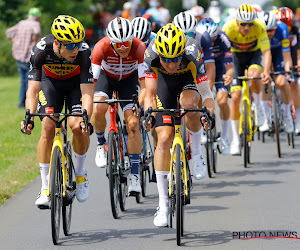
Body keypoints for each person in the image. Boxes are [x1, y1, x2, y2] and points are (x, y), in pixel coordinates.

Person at [143, 23, 215, 227]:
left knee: (189, 104)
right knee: (164, 138)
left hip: (187, 82)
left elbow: (207, 95)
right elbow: (149, 94)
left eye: (175, 59)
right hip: (163, 85)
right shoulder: (151, 54)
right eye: (166, 59)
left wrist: (209, 114)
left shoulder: (192, 52)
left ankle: (198, 153)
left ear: (182, 52)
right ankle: (163, 205)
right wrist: (149, 113)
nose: (171, 64)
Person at [20, 15, 94, 208]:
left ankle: (79, 174)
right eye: (70, 46)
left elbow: (87, 93)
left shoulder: (84, 53)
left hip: (75, 86)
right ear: (57, 43)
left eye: (77, 44)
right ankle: (45, 188)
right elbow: (33, 90)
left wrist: (86, 117)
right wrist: (29, 116)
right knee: (47, 127)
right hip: (50, 84)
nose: (75, 50)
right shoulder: (41, 50)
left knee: (77, 126)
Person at [91, 17, 146, 194]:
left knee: (132, 124)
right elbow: (92, 83)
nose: (123, 48)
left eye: (126, 43)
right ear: (112, 43)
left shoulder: (139, 47)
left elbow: (145, 84)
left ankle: (135, 175)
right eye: (118, 44)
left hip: (128, 81)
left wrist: (141, 105)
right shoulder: (100, 47)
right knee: (99, 108)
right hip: (106, 79)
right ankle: (101, 143)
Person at [222, 4, 271, 155]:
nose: (247, 28)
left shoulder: (259, 27)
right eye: (243, 24)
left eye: (250, 24)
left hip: (253, 54)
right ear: (237, 22)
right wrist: (227, 73)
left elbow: (266, 51)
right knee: (235, 97)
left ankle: (258, 108)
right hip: (235, 58)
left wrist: (267, 72)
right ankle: (236, 140)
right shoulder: (227, 28)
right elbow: (222, 55)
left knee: (254, 74)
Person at [173, 12, 216, 144]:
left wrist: (206, 92)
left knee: (193, 105)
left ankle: (198, 128)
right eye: (183, 35)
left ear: (195, 31)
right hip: (174, 73)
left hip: (195, 72)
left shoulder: (203, 36)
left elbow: (210, 67)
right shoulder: (168, 36)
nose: (187, 39)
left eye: (190, 34)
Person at [198, 18, 234, 155]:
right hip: (202, 69)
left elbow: (230, 66)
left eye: (213, 39)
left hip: (220, 70)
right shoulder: (197, 40)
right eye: (209, 40)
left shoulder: (224, 38)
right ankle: (201, 129)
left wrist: (229, 75)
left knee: (222, 100)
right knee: (198, 99)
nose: (210, 43)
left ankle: (224, 137)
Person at [258, 11, 294, 133]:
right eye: (266, 31)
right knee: (265, 82)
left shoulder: (282, 29)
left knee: (283, 83)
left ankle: (287, 114)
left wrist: (289, 73)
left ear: (276, 27)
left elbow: (286, 55)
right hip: (263, 54)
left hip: (278, 54)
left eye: (271, 31)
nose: (268, 34)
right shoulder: (257, 31)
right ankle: (266, 119)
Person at [6, 7, 41, 109]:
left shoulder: (21, 23)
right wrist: (35, 43)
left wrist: (15, 41)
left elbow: (9, 32)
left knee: (23, 80)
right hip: (29, 55)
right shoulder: (36, 24)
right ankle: (27, 103)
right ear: (38, 17)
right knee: (29, 81)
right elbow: (36, 34)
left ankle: (21, 103)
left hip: (18, 54)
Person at [277, 7, 300, 134]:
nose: (287, 27)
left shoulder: (295, 30)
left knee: (295, 84)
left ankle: (298, 121)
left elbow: (298, 51)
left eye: (289, 24)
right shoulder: (275, 30)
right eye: (284, 23)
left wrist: (298, 65)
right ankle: (275, 111)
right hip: (278, 57)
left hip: (291, 56)